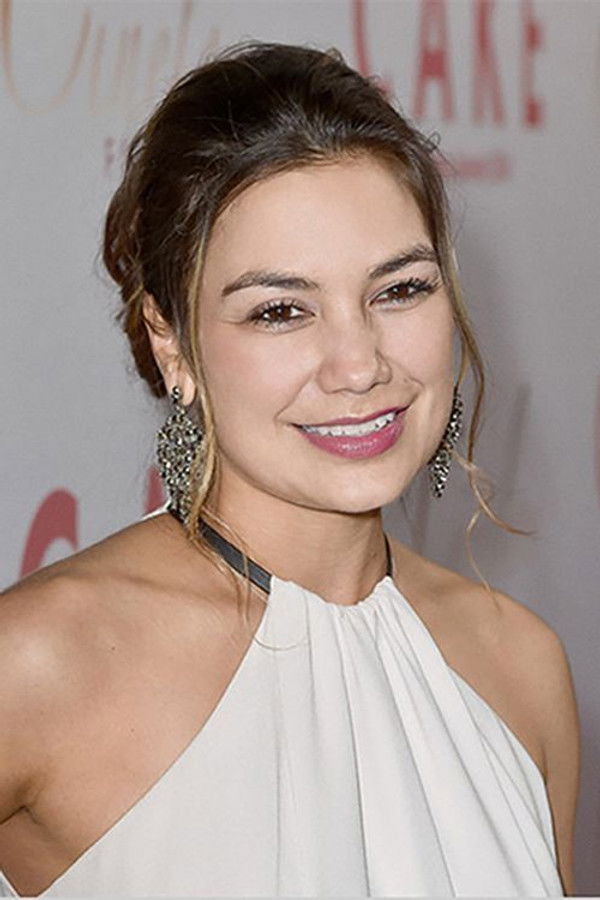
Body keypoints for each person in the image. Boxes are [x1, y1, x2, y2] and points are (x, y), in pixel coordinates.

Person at [0, 40, 579, 898]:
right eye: (280, 310)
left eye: (400, 290)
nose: (359, 365)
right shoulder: (35, 666)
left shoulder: (521, 666)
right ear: (171, 342)